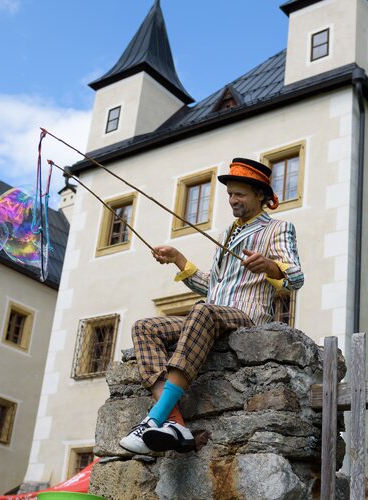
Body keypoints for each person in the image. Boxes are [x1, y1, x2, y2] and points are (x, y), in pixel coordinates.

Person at [119, 157, 305, 454]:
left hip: (246, 316)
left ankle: (153, 418)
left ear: (261, 195)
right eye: (230, 194)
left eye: (240, 194)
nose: (233, 200)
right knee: (144, 327)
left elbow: (296, 277)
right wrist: (178, 259)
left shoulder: (278, 228)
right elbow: (213, 287)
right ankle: (175, 422)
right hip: (211, 315)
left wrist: (270, 266)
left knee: (201, 310)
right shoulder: (225, 234)